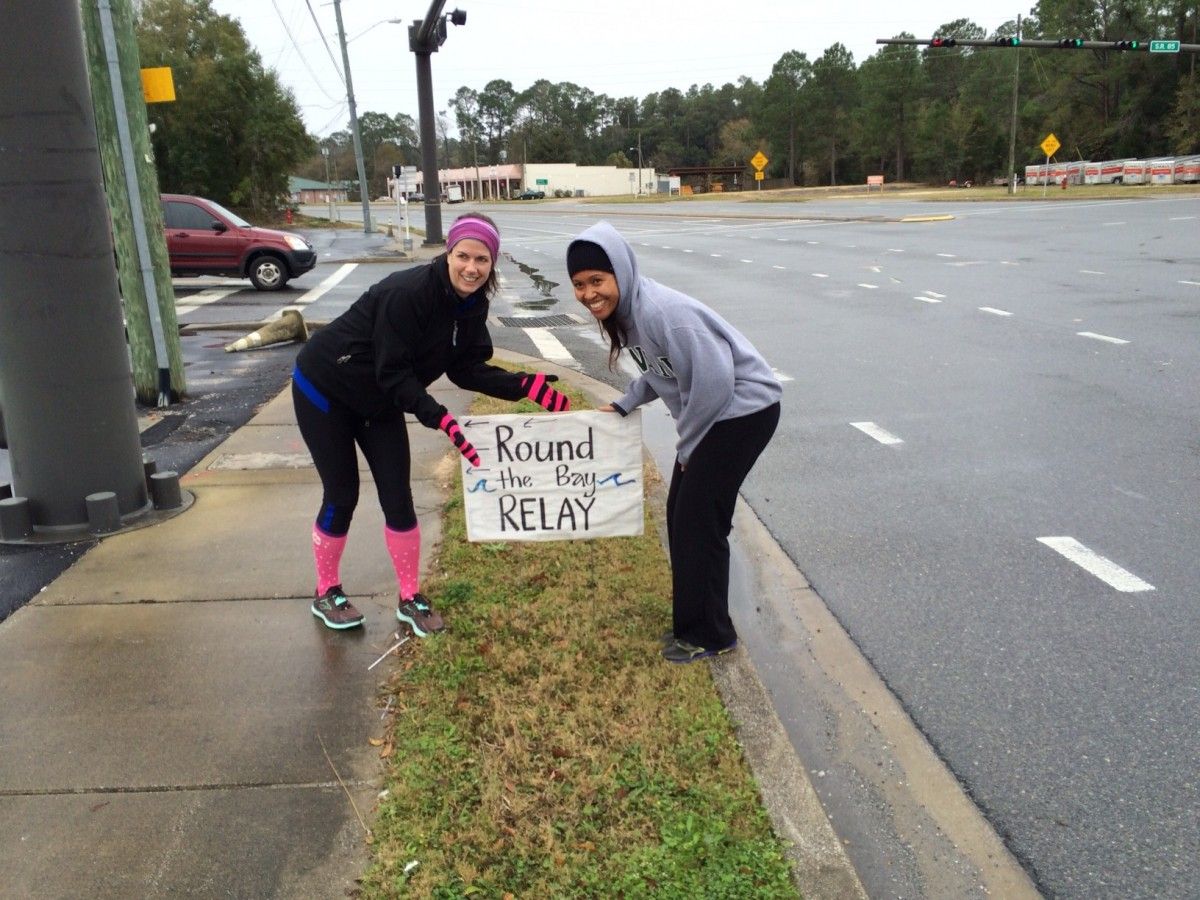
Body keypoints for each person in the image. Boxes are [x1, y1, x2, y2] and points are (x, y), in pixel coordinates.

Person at [292, 213, 569, 635]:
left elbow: (465, 368)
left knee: (398, 496)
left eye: (482, 260)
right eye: (463, 256)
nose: (471, 268)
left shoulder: (473, 304)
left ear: (492, 263)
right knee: (342, 493)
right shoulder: (408, 294)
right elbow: (394, 372)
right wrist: (440, 418)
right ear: (448, 252)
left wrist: (524, 387)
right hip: (325, 389)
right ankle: (326, 590)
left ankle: (410, 597)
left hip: (379, 399)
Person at [566, 222, 781, 663]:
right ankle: (693, 626)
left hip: (743, 412)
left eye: (596, 281)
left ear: (620, 275)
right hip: (719, 414)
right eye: (579, 285)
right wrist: (626, 403)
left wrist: (689, 448)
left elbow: (715, 384)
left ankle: (712, 635)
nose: (589, 293)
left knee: (700, 521)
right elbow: (658, 371)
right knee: (683, 518)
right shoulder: (629, 314)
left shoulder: (662, 313)